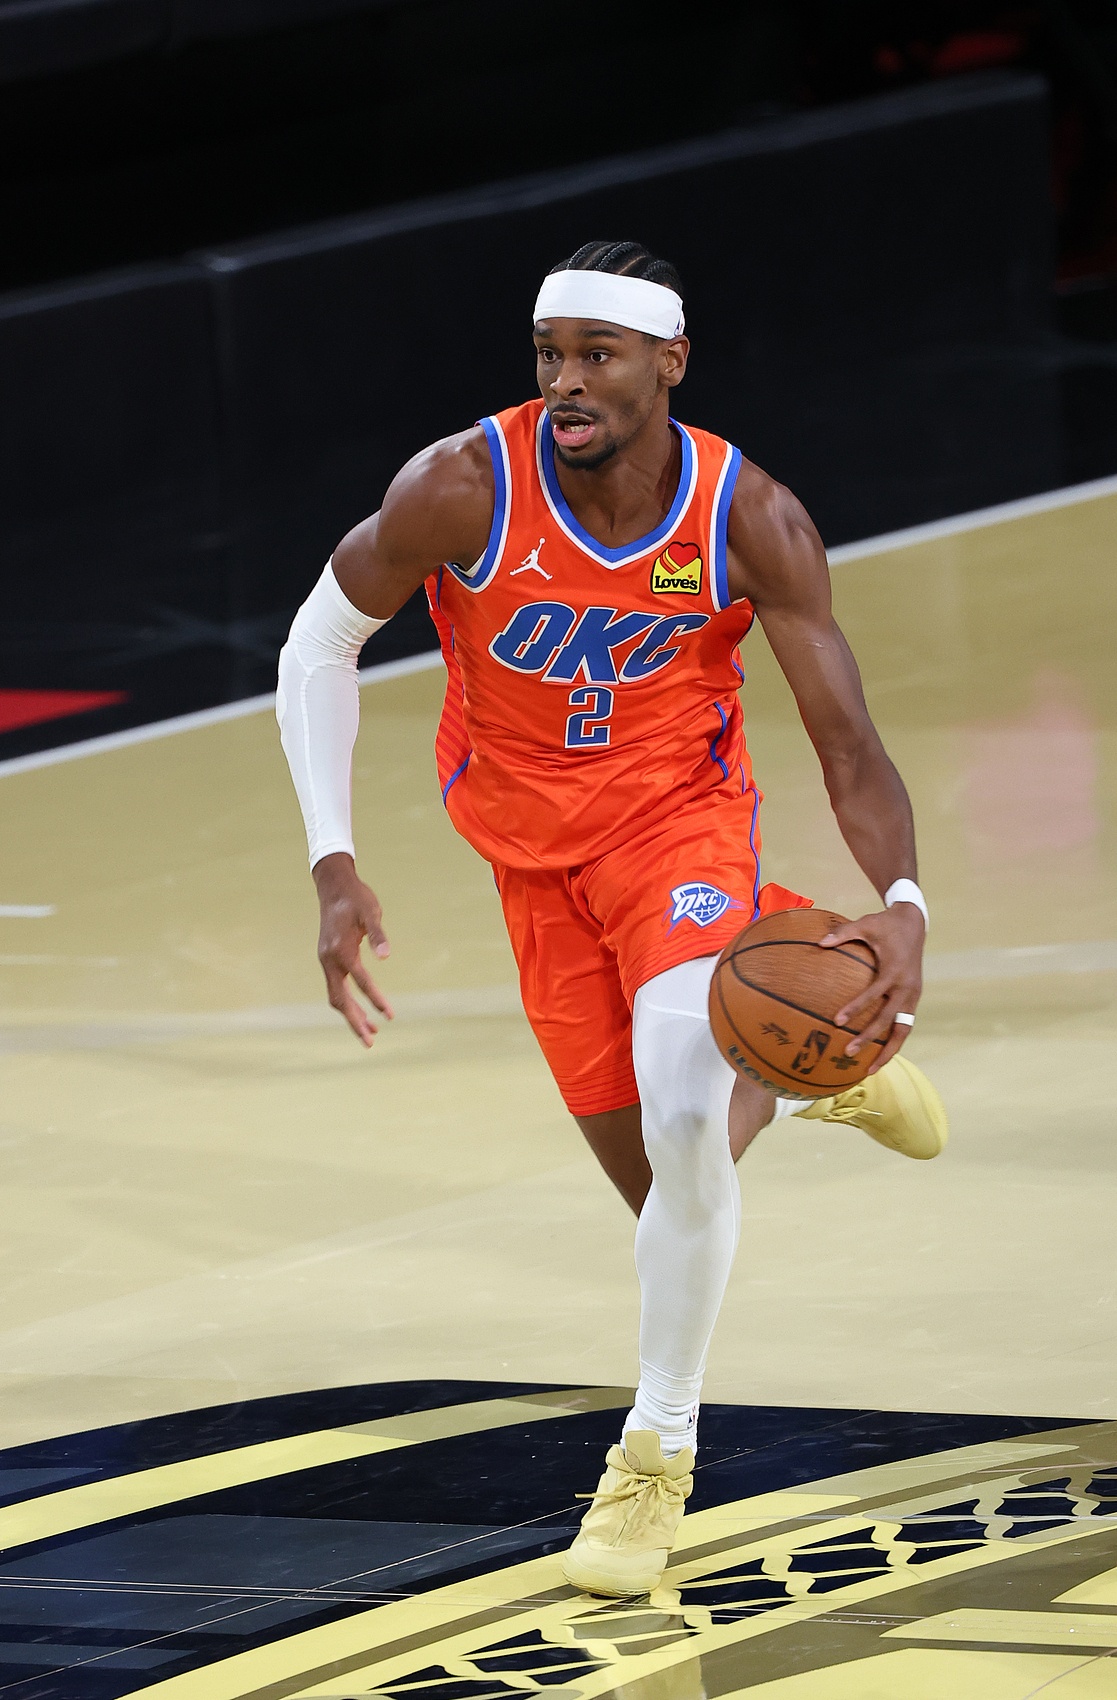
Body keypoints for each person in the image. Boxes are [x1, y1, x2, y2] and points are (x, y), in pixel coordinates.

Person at [276, 238, 947, 1599]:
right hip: (529, 859)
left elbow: (846, 742)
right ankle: (806, 1044)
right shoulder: (462, 487)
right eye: (549, 355)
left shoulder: (749, 519)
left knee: (687, 1123)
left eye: (598, 355)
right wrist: (331, 860)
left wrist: (904, 905)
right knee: (660, 1193)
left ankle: (654, 1459)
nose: (566, 381)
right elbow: (318, 641)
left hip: (676, 831)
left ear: (669, 363)